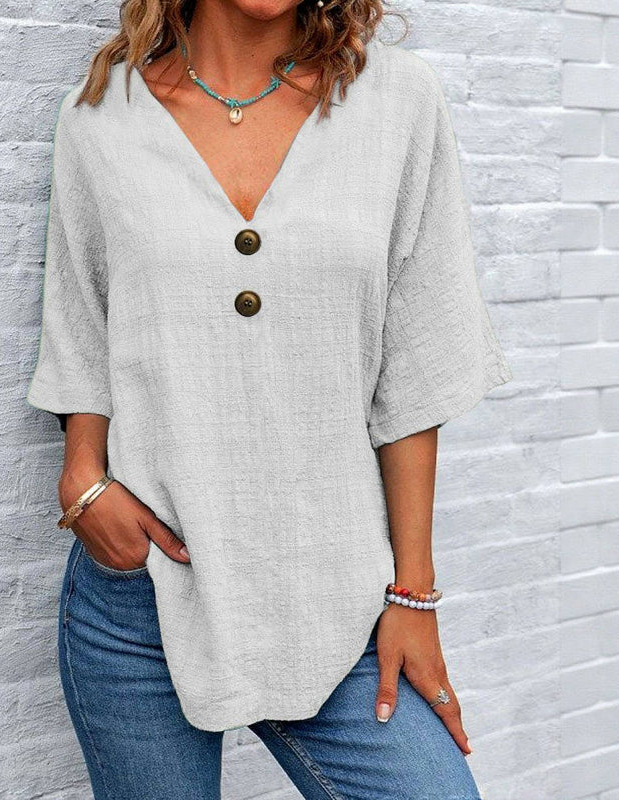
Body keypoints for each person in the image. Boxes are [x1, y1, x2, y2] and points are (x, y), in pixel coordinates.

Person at [26, 0, 513, 796]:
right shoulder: (103, 114)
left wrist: (413, 596)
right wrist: (83, 477)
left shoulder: (398, 103)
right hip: (143, 596)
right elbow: (82, 325)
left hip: (337, 597)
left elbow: (414, 376)